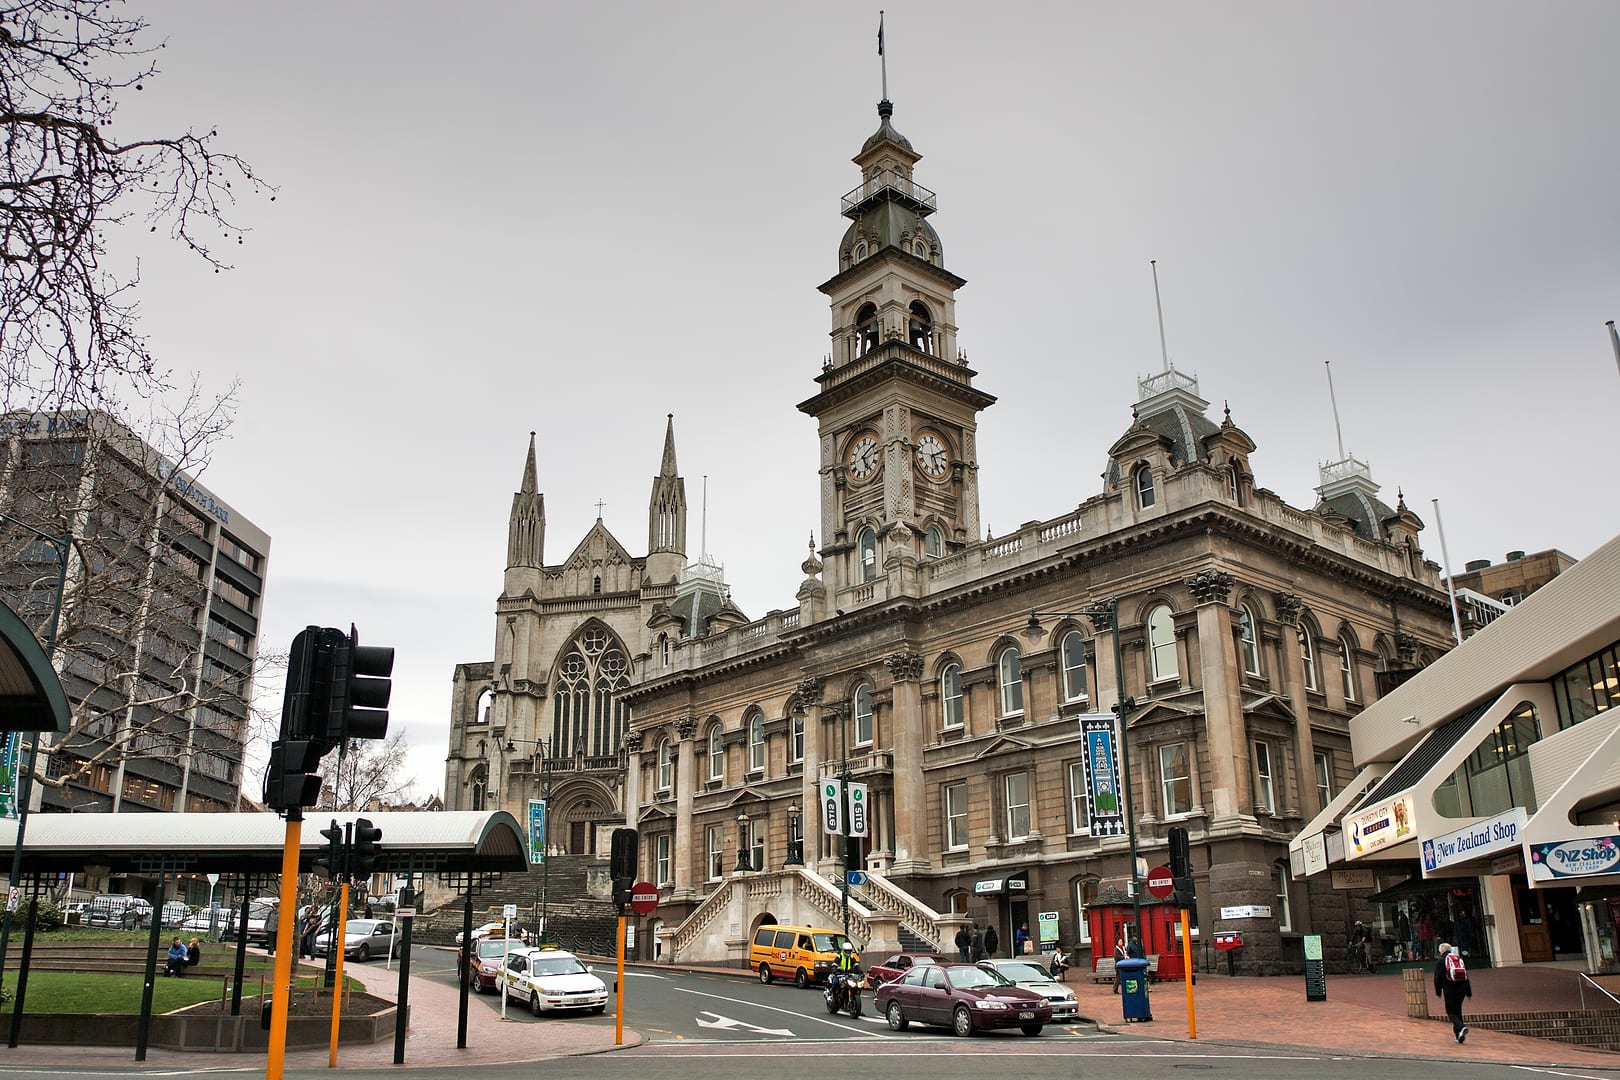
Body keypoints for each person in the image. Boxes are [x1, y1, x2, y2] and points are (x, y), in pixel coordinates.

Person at [1433, 942, 1472, 1042]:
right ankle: (1459, 1035)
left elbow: (1437, 977)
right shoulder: (1458, 959)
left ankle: (1461, 1027)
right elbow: (1466, 976)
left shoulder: (1441, 961)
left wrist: (1438, 991)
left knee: (1450, 1011)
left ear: (1442, 951)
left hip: (1449, 990)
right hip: (1461, 990)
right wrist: (1468, 992)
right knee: (1458, 1011)